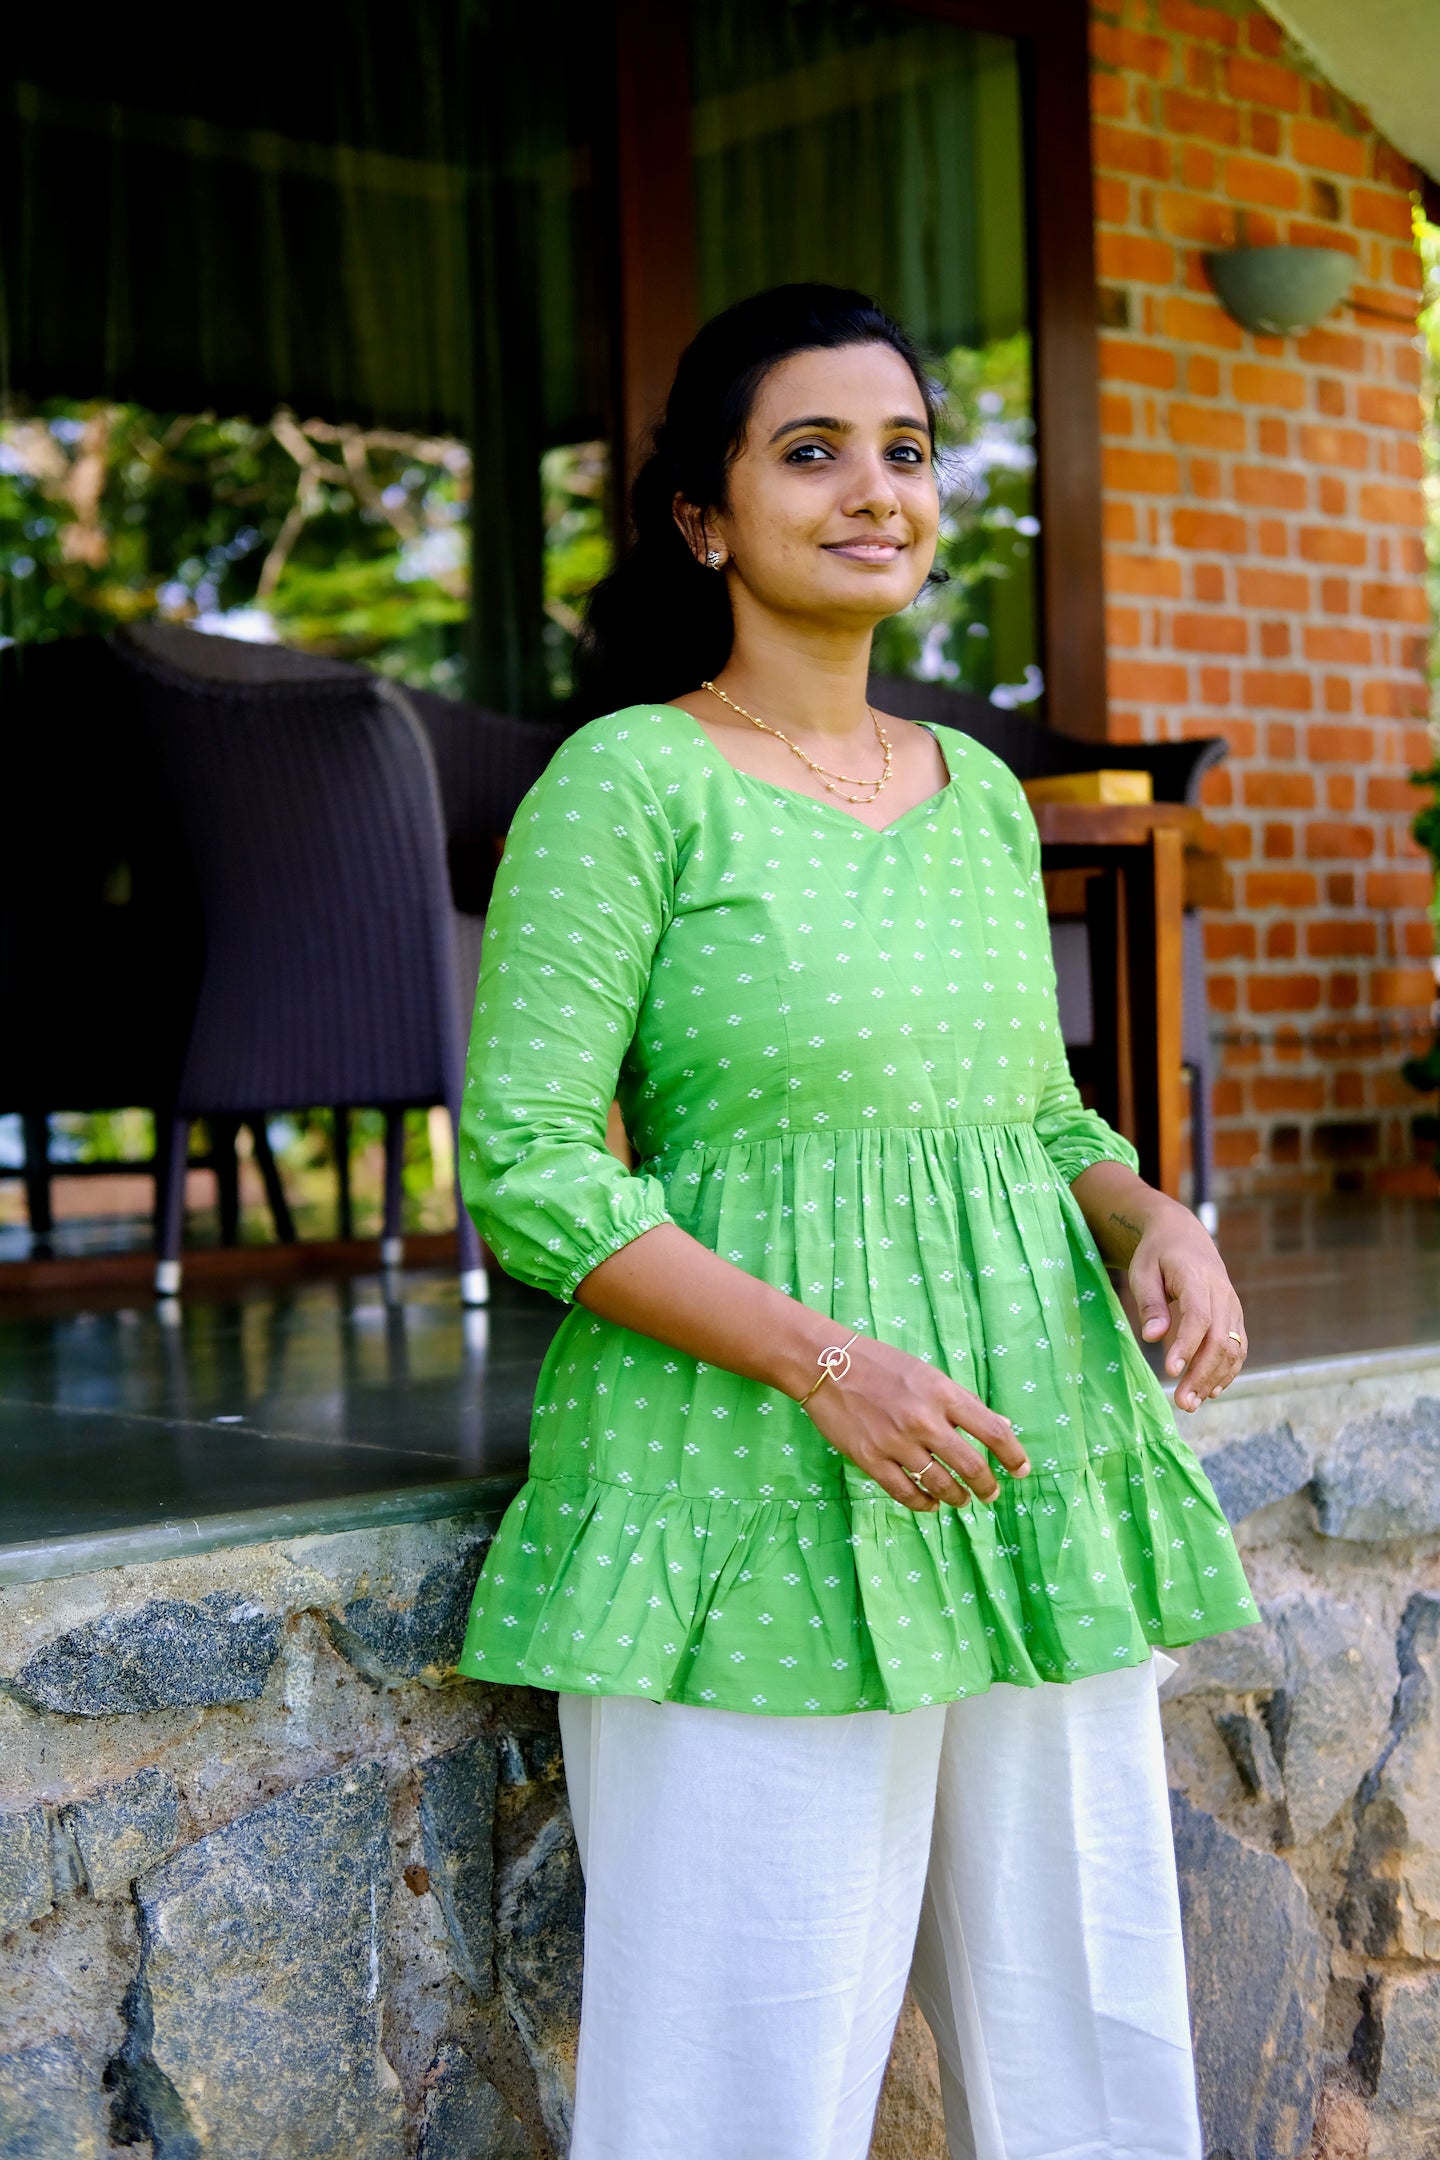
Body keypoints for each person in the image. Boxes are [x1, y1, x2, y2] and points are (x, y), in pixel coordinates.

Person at [455, 284, 1255, 2160]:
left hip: (1024, 1445)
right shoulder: (631, 781)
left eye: (904, 450)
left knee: (1092, 2034)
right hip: (748, 1470)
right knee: (739, 2073)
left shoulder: (981, 797)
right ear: (704, 515)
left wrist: (1149, 1210)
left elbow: (1034, 1114)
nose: (873, 488)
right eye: (810, 451)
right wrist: (828, 1368)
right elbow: (528, 1164)